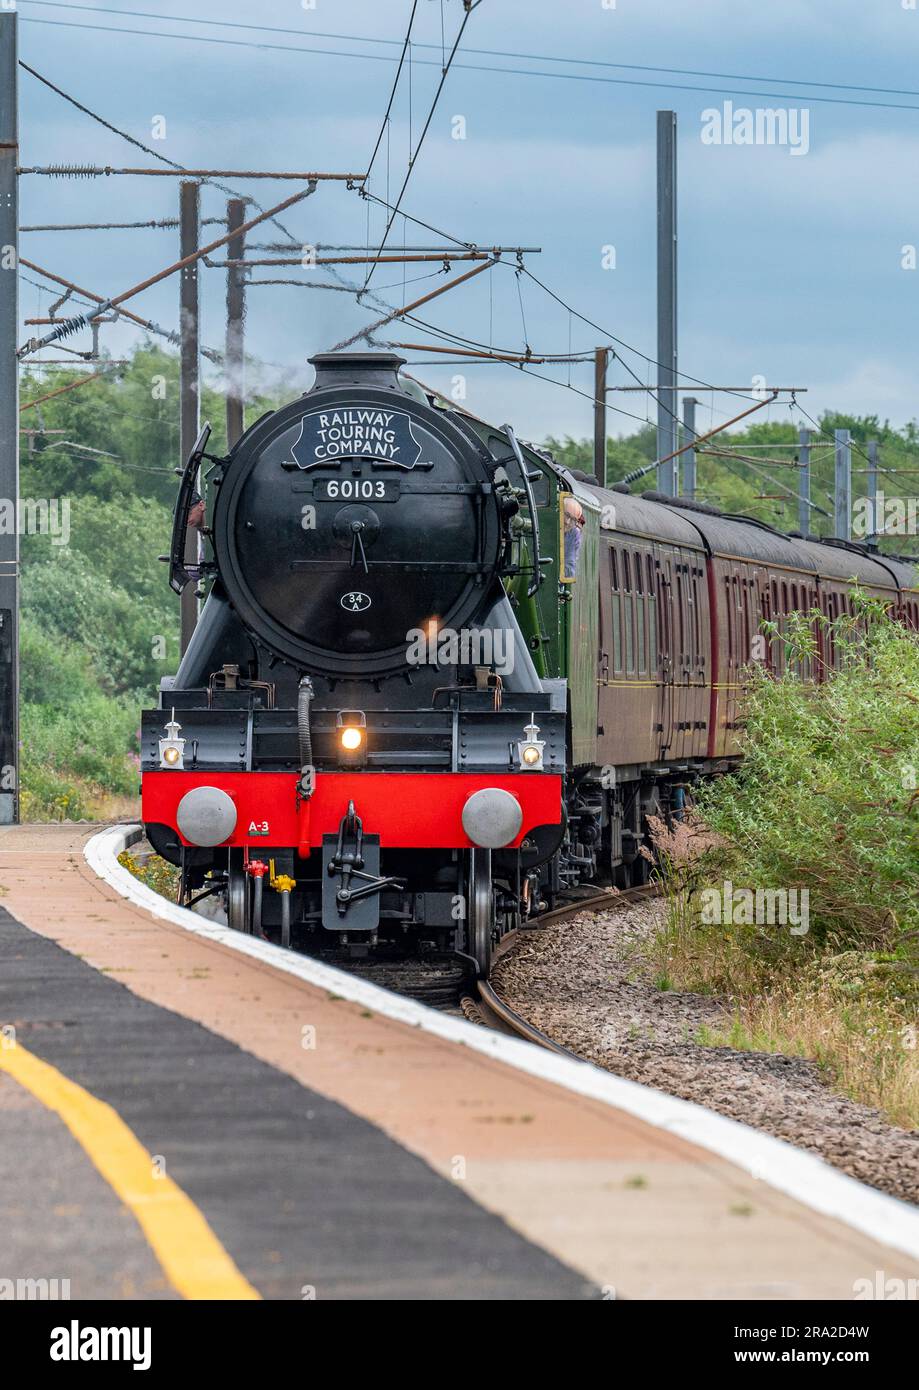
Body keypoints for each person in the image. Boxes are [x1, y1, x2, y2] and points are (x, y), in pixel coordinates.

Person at [563, 494, 585, 579]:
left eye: (573, 519)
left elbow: (570, 563)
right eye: (567, 515)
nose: (567, 522)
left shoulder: (574, 533)